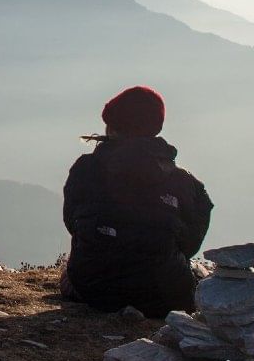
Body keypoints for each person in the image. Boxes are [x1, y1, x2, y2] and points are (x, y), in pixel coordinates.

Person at [61, 86, 213, 317]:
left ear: (112, 127)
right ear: (155, 126)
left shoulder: (86, 168)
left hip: (95, 288)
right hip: (165, 295)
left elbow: (73, 222)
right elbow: (191, 241)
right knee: (197, 274)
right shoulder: (184, 181)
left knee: (70, 272)